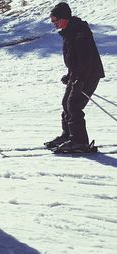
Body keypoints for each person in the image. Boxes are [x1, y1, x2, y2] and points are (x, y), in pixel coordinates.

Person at [45, 2, 105, 152]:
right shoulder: (69, 31)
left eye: (55, 20)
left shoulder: (79, 31)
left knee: (74, 104)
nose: (54, 23)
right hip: (79, 74)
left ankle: (80, 142)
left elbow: (86, 59)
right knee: (66, 102)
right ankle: (68, 135)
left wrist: (81, 79)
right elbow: (75, 59)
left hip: (89, 74)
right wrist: (70, 75)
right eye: (52, 20)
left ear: (64, 18)